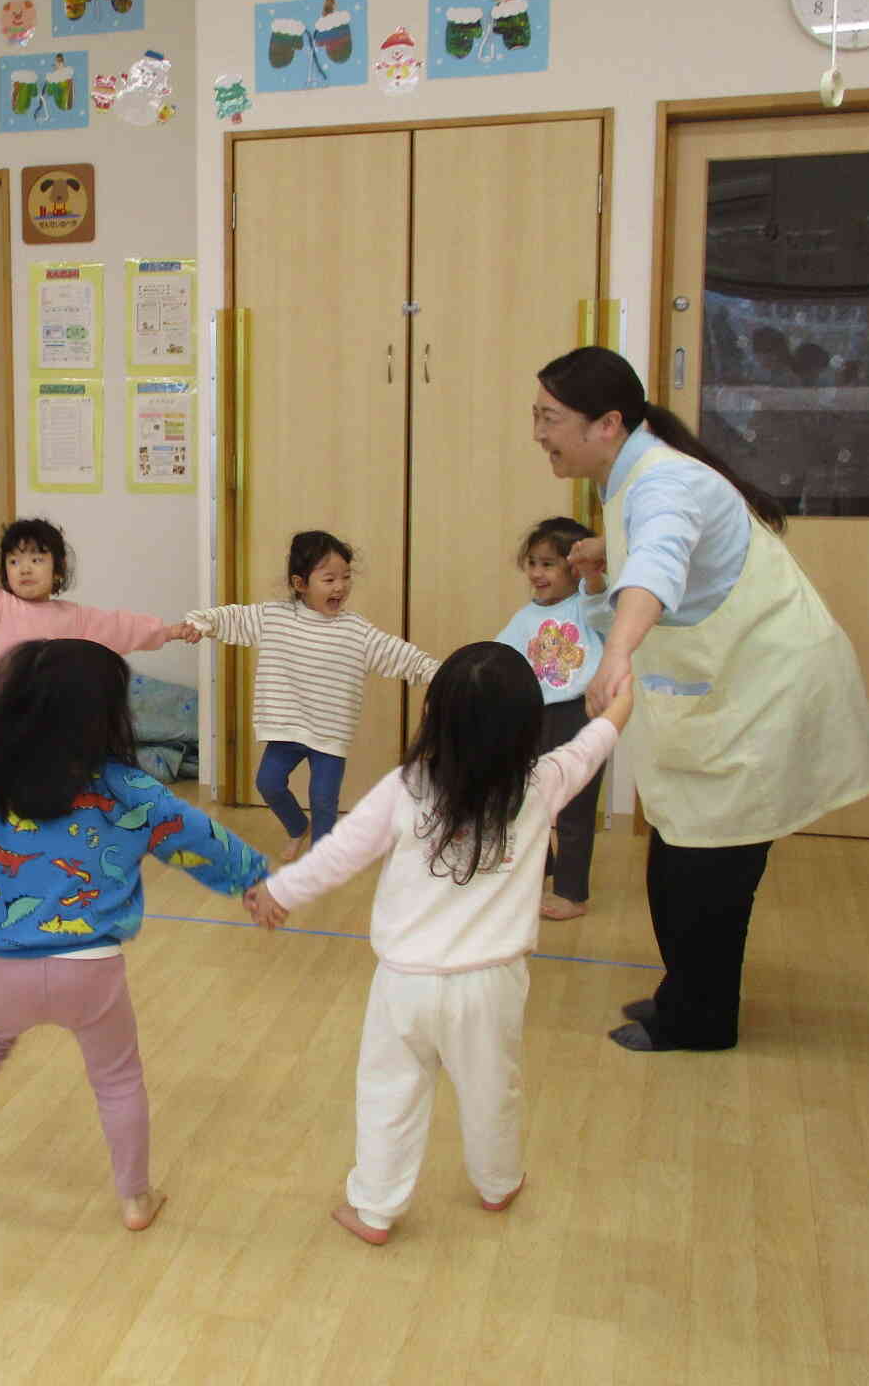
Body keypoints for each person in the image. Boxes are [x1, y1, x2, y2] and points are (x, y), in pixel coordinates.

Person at [530, 346, 869, 1052]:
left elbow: (661, 562)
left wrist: (621, 650)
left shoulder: (663, 482)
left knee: (706, 871)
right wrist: (610, 551)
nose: (538, 432)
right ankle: (686, 993)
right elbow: (662, 551)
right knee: (677, 853)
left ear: (607, 424)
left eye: (549, 418)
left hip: (767, 688)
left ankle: (702, 1019)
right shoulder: (631, 474)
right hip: (731, 687)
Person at [0, 638, 267, 1231]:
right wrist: (251, 882)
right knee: (118, 1077)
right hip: (92, 969)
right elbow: (198, 840)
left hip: (6, 969)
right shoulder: (129, 790)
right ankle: (135, 1199)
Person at [246, 642, 630, 1245]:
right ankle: (498, 1184)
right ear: (528, 725)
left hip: (405, 983)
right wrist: (617, 699)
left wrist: (281, 890)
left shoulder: (406, 787)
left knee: (389, 1092)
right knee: (492, 1090)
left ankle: (374, 1208)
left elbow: (343, 852)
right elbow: (592, 744)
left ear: (436, 714)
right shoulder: (541, 784)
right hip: (492, 984)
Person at [0, 518, 197, 884]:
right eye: (15, 561)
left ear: (58, 569)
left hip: (34, 736)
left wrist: (168, 631)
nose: (25, 569)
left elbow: (120, 627)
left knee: (13, 808)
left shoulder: (75, 618)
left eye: (37, 558)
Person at [184, 530, 438, 857]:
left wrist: (439, 672)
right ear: (300, 584)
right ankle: (297, 828)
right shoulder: (274, 617)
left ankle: (322, 856)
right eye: (329, 579)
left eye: (346, 578)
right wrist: (199, 623)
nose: (341, 587)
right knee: (269, 783)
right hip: (287, 726)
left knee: (322, 799)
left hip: (329, 731)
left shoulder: (355, 630)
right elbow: (232, 618)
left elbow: (397, 654)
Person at [495, 516, 609, 921]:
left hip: (579, 715)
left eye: (548, 564)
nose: (537, 573)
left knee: (575, 808)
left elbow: (598, 599)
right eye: (532, 563)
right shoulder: (524, 616)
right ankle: (535, 871)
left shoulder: (589, 605)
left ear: (573, 568)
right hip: (533, 716)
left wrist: (593, 574)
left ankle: (572, 893)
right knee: (525, 799)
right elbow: (498, 657)